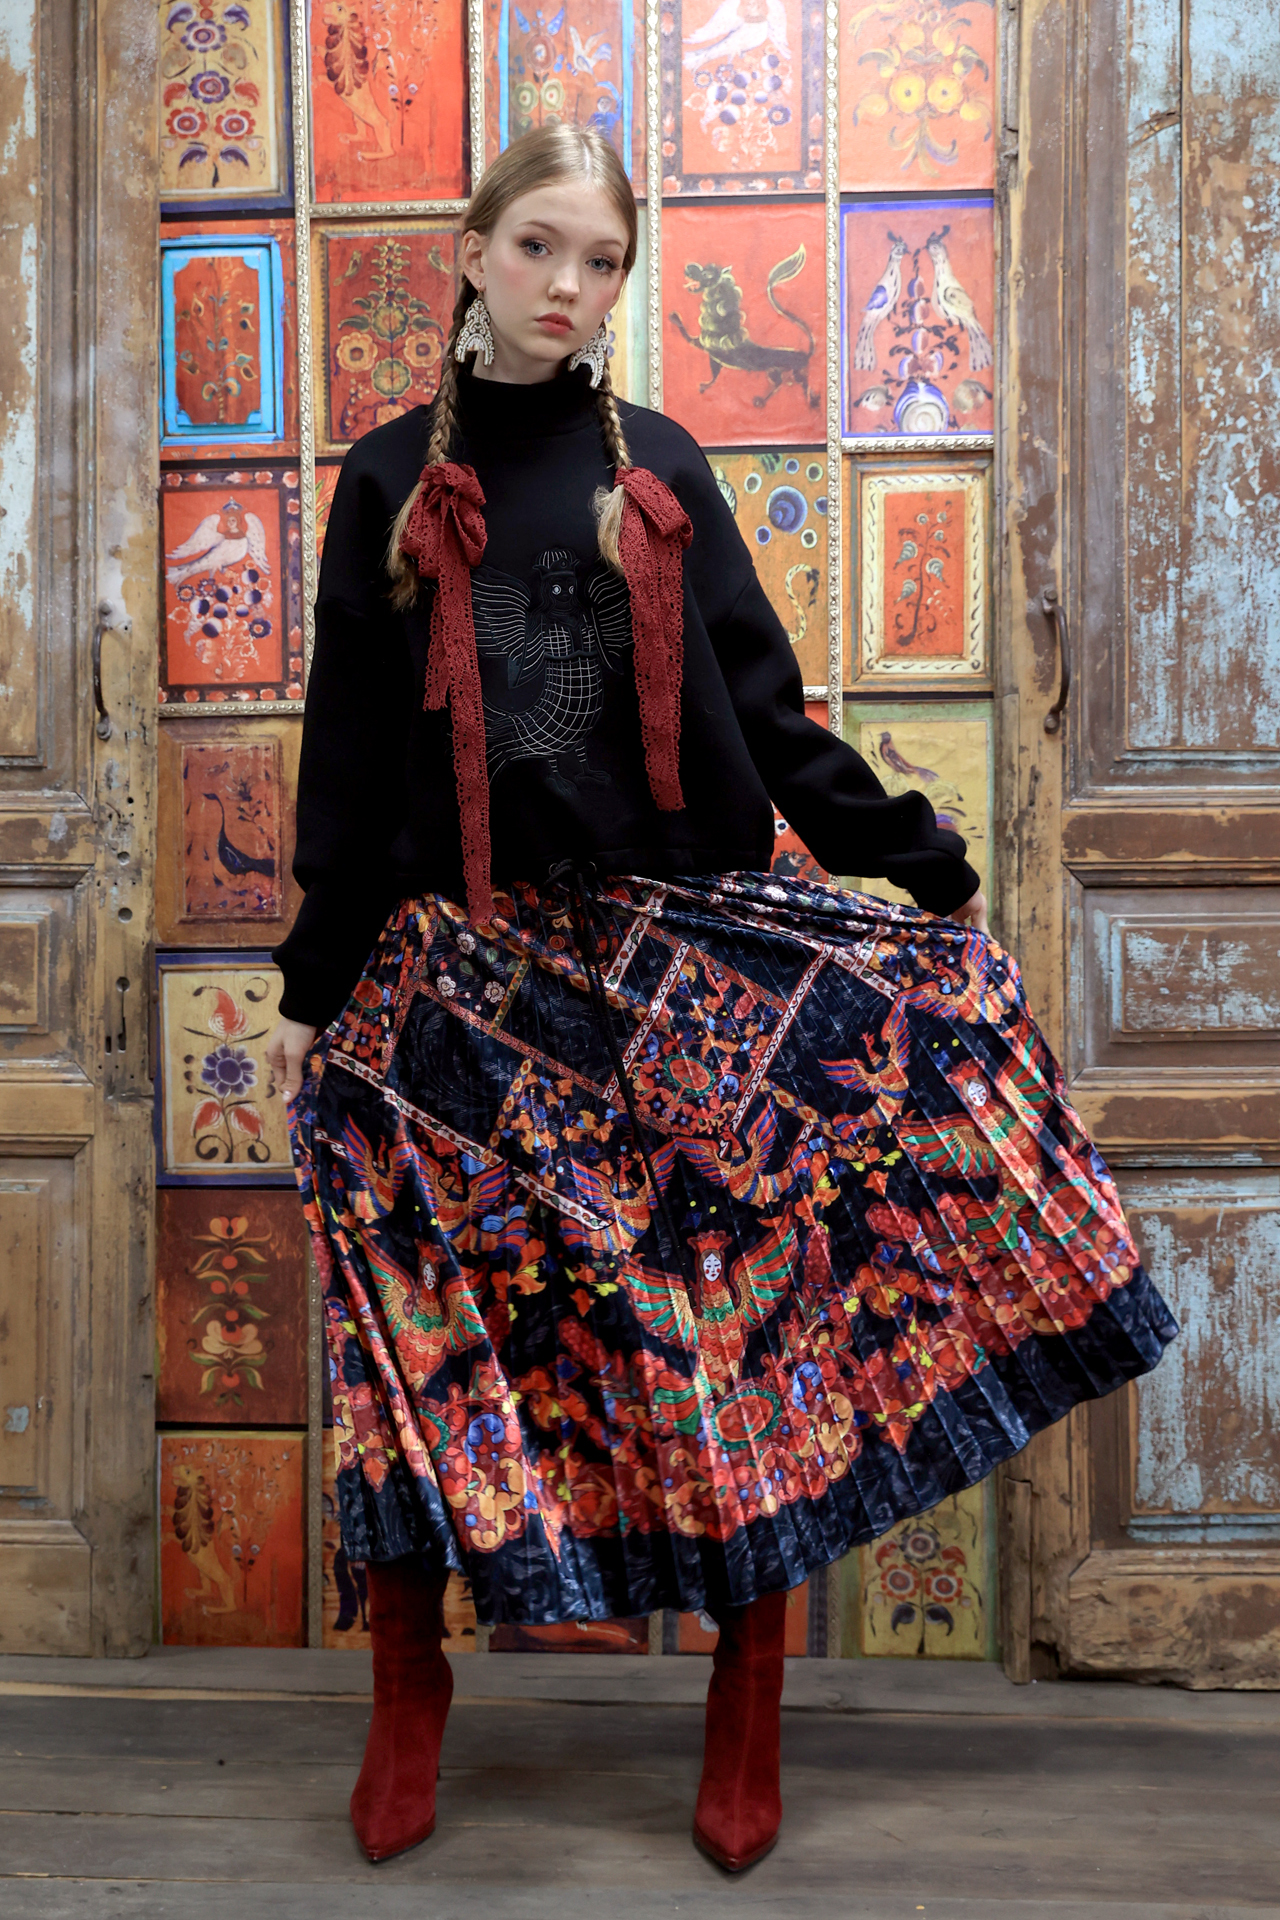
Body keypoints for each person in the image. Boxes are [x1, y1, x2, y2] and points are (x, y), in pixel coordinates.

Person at [266, 124, 1176, 1873]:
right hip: (462, 968)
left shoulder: (662, 462)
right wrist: (316, 978)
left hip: (670, 963)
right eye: (538, 247)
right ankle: (407, 1686)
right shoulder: (385, 482)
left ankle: (746, 1692)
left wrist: (918, 863)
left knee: (726, 1329)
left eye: (601, 260)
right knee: (421, 1327)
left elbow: (764, 708)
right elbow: (352, 753)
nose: (567, 286)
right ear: (471, 252)